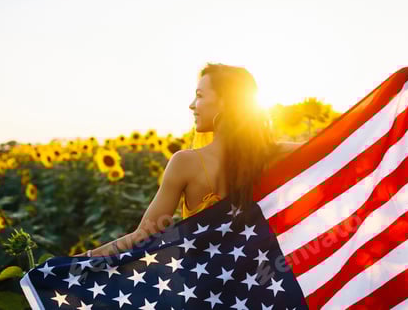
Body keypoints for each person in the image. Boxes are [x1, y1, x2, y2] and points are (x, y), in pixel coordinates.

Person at [74, 63, 303, 257]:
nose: (192, 105)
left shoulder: (186, 163)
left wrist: (74, 264)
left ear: (226, 103)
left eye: (200, 95)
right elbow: (336, 152)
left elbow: (143, 236)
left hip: (205, 293)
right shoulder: (276, 154)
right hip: (263, 291)